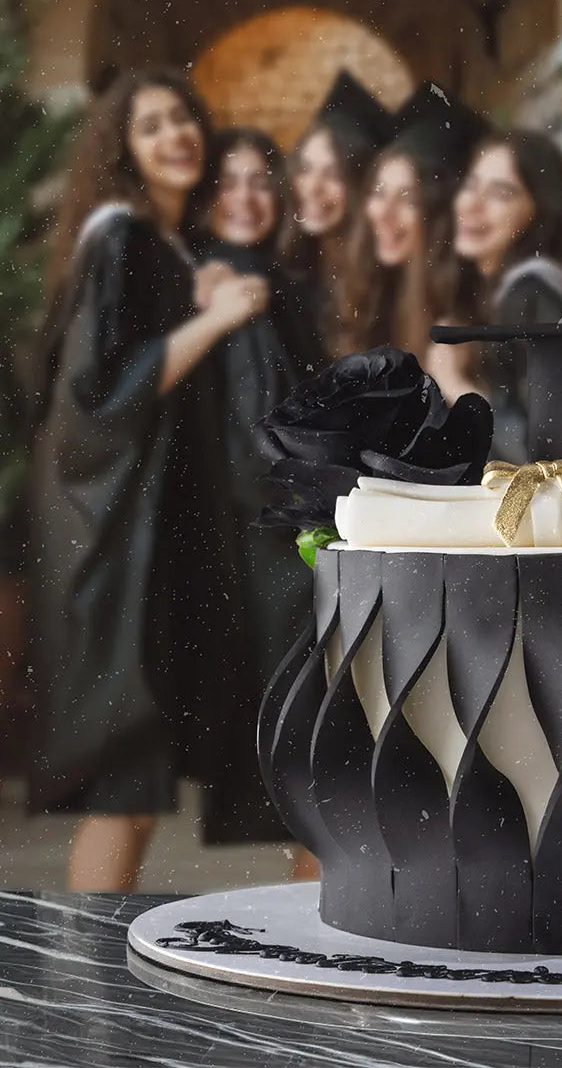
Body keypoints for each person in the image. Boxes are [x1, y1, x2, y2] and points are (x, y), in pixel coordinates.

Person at [26, 69, 269, 891]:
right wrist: (216, 318)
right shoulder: (121, 237)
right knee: (123, 791)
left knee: (134, 791)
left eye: (182, 119)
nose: (175, 136)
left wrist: (199, 300)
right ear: (122, 150)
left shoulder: (162, 244)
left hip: (146, 547)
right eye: (152, 126)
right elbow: (96, 396)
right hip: (112, 550)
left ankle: (86, 960)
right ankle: (79, 965)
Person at [186, 127, 326, 877]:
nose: (245, 197)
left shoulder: (262, 282)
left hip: (261, 537)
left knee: (305, 760)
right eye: (228, 182)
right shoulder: (234, 283)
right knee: (313, 758)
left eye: (259, 181)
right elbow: (257, 443)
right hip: (272, 543)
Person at [454, 131, 562, 462]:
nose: (472, 204)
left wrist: (456, 386)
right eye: (471, 185)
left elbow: (547, 458)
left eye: (500, 193)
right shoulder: (517, 292)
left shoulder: (530, 296)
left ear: (540, 211)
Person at [357, 113, 488, 403]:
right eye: (379, 193)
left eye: (409, 199)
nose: (384, 212)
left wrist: (454, 383)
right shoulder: (381, 292)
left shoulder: (458, 323)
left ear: (440, 213)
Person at [279, 93, 387, 359]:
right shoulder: (292, 266)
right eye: (305, 169)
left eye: (334, 174)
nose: (313, 187)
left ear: (360, 186)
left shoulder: (385, 276)